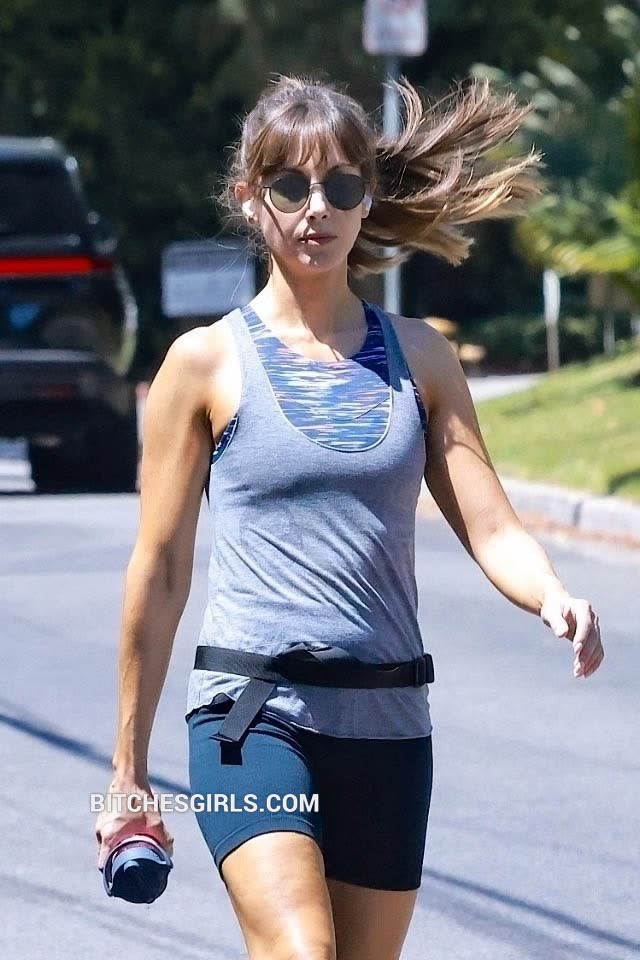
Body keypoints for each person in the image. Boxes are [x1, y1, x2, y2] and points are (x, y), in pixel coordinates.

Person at [95, 74, 604, 959]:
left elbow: (490, 524)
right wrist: (127, 767)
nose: (316, 209)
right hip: (251, 715)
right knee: (303, 951)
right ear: (250, 198)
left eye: (340, 186)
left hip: (389, 721)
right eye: (291, 186)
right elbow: (163, 568)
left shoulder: (421, 358)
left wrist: (551, 593)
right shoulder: (205, 362)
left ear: (367, 199)